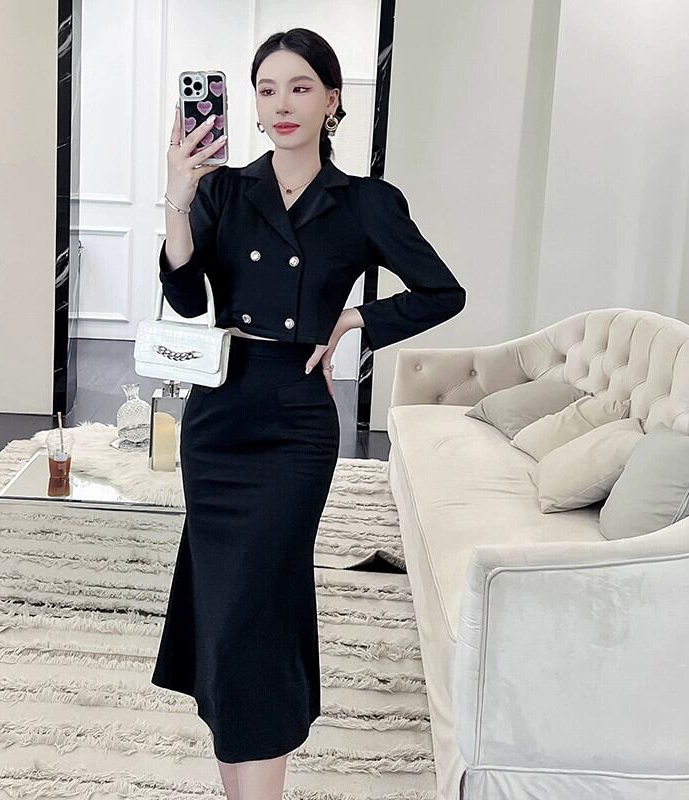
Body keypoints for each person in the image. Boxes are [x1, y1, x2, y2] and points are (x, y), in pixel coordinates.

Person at [151, 28, 466, 800]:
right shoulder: (224, 191)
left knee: (260, 603)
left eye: (299, 87)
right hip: (219, 417)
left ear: (331, 100)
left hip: (296, 421)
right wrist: (178, 201)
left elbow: (443, 291)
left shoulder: (365, 203)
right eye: (267, 89)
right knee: (225, 608)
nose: (281, 103)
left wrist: (357, 319)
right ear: (253, 107)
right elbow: (187, 300)